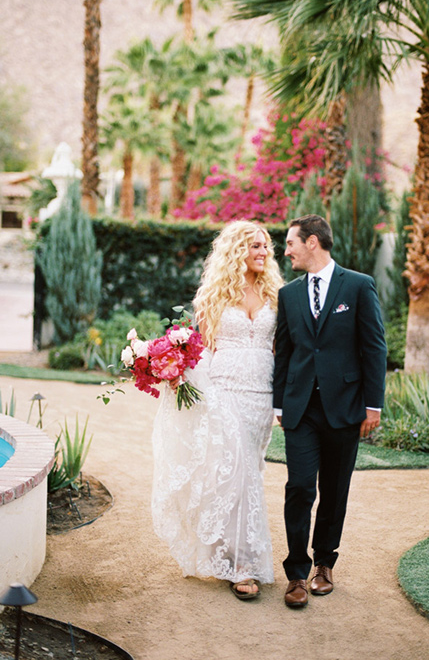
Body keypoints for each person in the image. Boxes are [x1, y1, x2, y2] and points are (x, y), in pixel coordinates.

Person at [151, 220, 284, 600]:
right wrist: (173, 369)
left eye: (265, 246)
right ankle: (245, 565)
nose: (263, 252)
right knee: (237, 472)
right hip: (224, 390)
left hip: (261, 394)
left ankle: (227, 549)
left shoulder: (276, 293)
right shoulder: (213, 296)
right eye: (255, 246)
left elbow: (280, 349)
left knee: (246, 474)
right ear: (236, 250)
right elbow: (203, 350)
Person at [273, 214, 387, 608]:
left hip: (345, 408)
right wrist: (279, 403)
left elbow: (374, 347)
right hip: (300, 410)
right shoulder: (288, 294)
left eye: (291, 243)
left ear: (313, 242)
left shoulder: (357, 286)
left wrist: (373, 404)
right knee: (300, 487)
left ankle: (325, 564)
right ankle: (297, 574)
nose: (285, 251)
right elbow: (284, 352)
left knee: (334, 490)